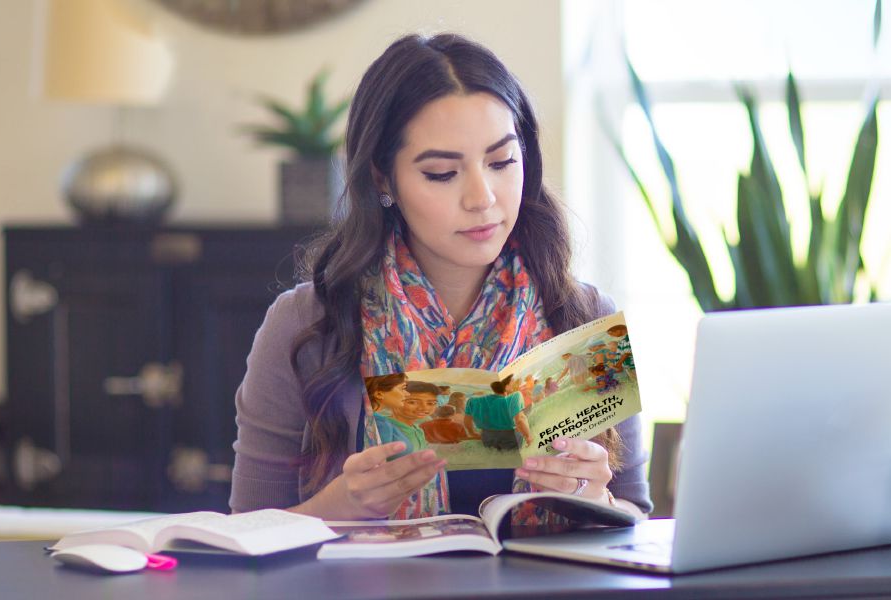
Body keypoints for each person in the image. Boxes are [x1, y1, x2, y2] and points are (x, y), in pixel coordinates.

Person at [229, 32, 652, 522]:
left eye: (502, 161)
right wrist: (340, 507)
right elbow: (248, 535)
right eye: (441, 173)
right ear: (383, 179)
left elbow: (637, 521)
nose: (482, 197)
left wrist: (596, 499)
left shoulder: (581, 317)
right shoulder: (306, 326)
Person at [465, 375, 530, 450]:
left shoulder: (474, 401)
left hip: (487, 438)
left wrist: (472, 433)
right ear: (506, 387)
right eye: (512, 381)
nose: (515, 383)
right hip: (509, 438)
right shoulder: (515, 396)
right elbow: (520, 419)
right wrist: (528, 437)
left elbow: (467, 421)